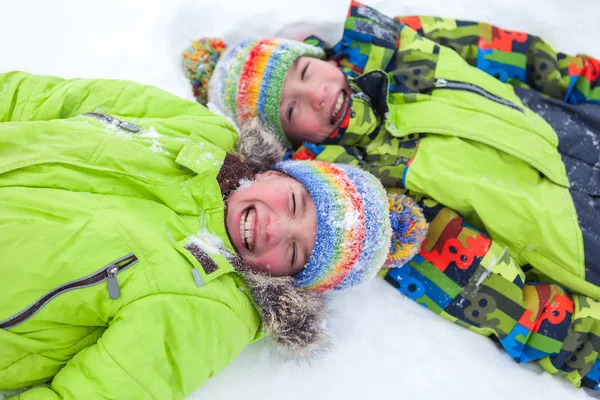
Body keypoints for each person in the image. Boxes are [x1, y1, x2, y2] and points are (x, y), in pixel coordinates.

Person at [181, 0, 600, 391]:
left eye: (306, 72)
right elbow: (519, 312)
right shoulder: (372, 203)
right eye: (293, 109)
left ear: (320, 55)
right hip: (585, 241)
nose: (317, 94)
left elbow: (529, 61)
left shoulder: (402, 48)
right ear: (289, 143)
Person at [0, 71, 427, 399]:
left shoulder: (207, 310)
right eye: (295, 202)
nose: (274, 227)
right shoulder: (199, 131)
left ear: (288, 281)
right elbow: (48, 99)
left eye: (295, 253)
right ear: (278, 172)